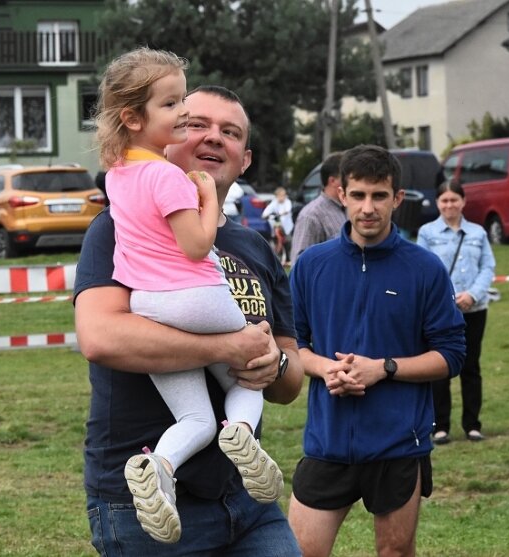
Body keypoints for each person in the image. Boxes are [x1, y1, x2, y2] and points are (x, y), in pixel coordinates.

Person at [75, 84, 303, 556]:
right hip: (144, 509)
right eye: (197, 124)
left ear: (245, 160)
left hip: (248, 500)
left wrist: (273, 363)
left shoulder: (257, 248)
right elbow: (100, 337)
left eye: (231, 132)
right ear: (170, 133)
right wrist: (227, 348)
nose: (214, 138)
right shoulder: (117, 226)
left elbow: (290, 377)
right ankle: (159, 465)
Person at [288, 144, 466, 557]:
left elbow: (452, 354)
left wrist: (383, 368)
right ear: (342, 194)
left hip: (398, 443)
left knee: (395, 552)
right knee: (299, 551)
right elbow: (293, 343)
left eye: (379, 195)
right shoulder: (312, 266)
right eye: (359, 195)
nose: (368, 208)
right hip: (327, 442)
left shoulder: (425, 268)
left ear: (397, 198)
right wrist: (323, 368)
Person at [417, 180, 495, 444]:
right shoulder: (427, 233)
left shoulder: (478, 233)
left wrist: (473, 294)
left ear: (463, 201)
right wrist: (450, 298)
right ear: (438, 203)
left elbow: (488, 267)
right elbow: (423, 270)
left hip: (474, 308)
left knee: (471, 366)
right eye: (444, 200)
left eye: (454, 199)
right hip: (440, 312)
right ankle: (440, 426)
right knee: (439, 367)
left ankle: (472, 424)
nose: (449, 205)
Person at [290, 151, 345, 264]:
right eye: (347, 177)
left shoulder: (349, 209)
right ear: (333, 181)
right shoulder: (311, 215)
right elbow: (300, 264)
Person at [262, 186, 294, 263]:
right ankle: (277, 255)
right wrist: (266, 215)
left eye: (284, 195)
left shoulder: (287, 202)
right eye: (280, 195)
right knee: (275, 239)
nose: (282, 197)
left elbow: (287, 210)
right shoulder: (274, 203)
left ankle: (288, 259)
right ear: (277, 196)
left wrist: (280, 214)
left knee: (288, 241)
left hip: (286, 227)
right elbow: (265, 212)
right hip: (276, 225)